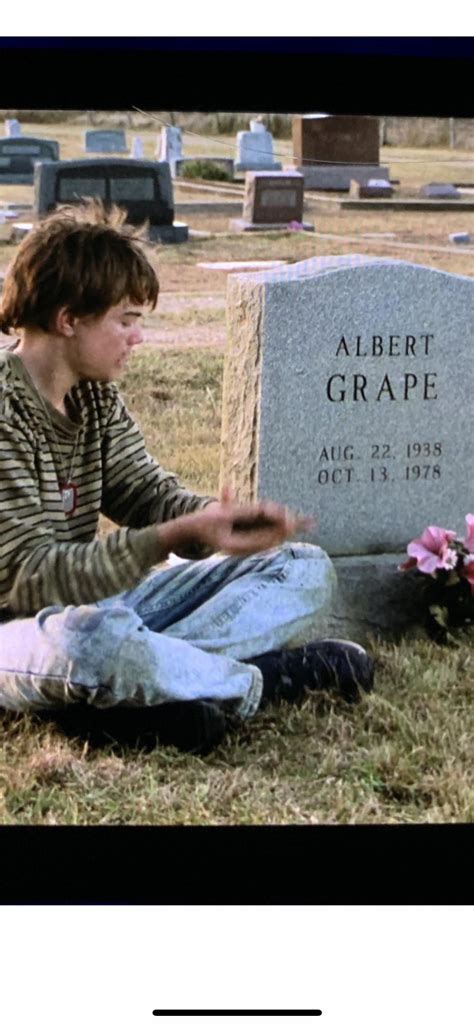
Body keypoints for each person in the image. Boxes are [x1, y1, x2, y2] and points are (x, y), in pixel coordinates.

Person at [0, 202, 374, 755]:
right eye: (125, 320)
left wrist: (218, 523)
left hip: (96, 604)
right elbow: (29, 580)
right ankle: (256, 681)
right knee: (93, 642)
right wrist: (172, 538)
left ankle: (143, 691)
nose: (138, 338)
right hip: (22, 631)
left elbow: (148, 494)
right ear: (68, 318)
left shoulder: (94, 396)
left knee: (300, 565)